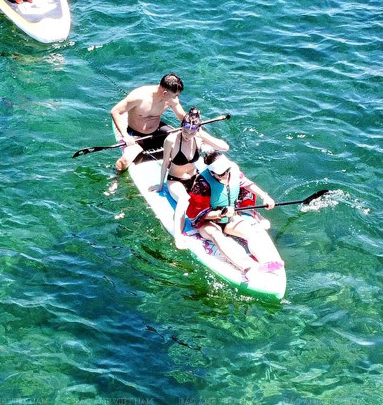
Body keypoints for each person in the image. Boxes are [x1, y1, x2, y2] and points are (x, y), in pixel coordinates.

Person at [186, 151, 281, 273]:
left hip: (230, 218)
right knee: (216, 235)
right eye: (221, 174)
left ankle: (267, 262)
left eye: (227, 171)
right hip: (208, 222)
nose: (225, 175)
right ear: (212, 173)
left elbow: (247, 184)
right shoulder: (202, 183)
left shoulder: (233, 172)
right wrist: (222, 213)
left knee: (250, 232)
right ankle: (246, 267)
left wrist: (264, 196)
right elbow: (195, 214)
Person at [154, 107, 229, 249]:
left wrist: (202, 135)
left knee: (216, 193)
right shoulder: (171, 140)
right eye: (185, 131)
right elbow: (165, 164)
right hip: (175, 180)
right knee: (184, 199)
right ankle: (178, 236)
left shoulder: (198, 138)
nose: (188, 135)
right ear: (181, 126)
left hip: (194, 178)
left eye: (192, 131)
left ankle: (227, 222)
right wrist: (160, 185)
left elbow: (224, 147)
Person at [111, 74, 186, 172]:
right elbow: (115, 111)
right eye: (175, 95)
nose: (176, 98)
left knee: (183, 141)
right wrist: (125, 136)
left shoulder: (171, 99)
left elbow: (183, 118)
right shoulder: (138, 96)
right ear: (164, 93)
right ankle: (115, 178)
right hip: (137, 135)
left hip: (157, 130)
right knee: (124, 162)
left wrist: (193, 124)